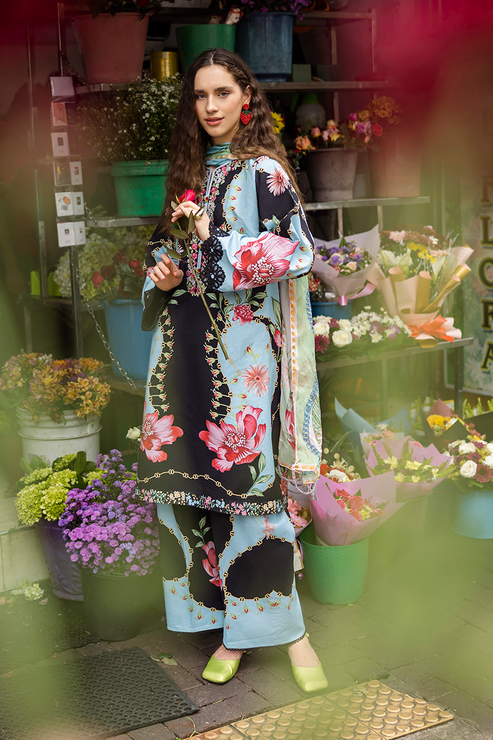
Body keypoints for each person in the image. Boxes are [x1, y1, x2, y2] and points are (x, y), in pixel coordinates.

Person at [137, 48, 327, 693]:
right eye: (200, 95)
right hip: (182, 352)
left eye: (222, 92)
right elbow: (164, 251)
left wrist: (211, 245)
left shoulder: (264, 172)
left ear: (247, 97)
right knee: (192, 487)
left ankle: (288, 632)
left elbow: (296, 251)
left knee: (249, 488)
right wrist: (163, 272)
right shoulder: (189, 174)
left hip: (243, 356)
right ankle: (227, 628)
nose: (211, 106)